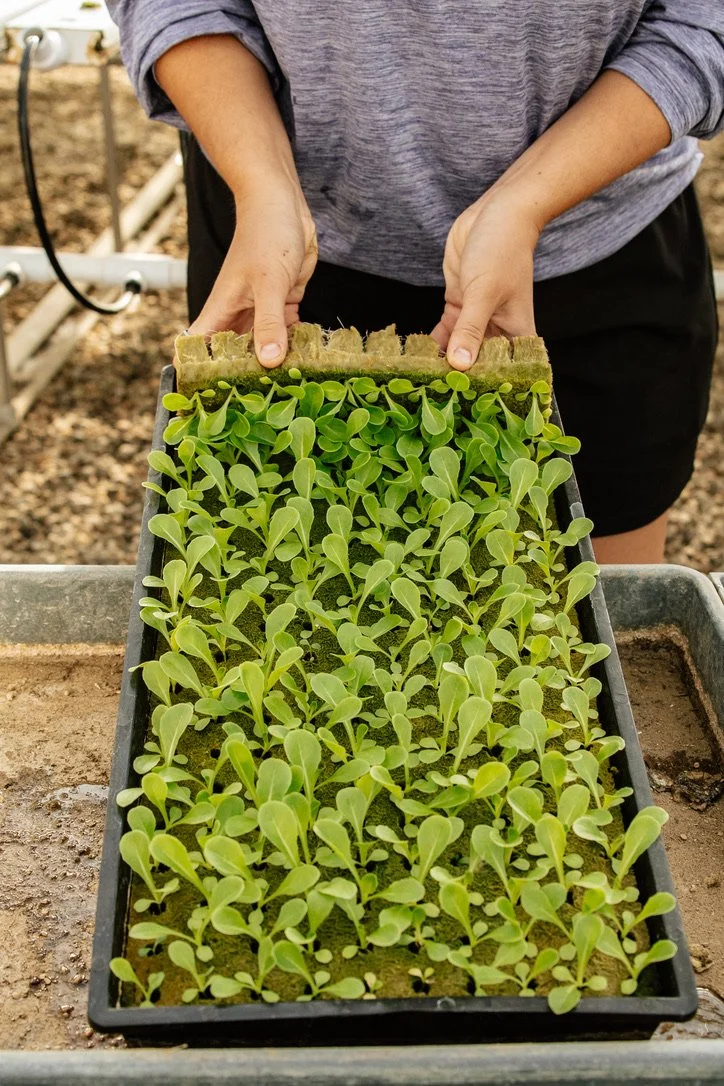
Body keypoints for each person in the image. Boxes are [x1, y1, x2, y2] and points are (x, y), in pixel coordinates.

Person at [107, 2, 723, 564]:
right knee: (270, 571)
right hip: (278, 251)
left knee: (591, 604)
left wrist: (527, 203)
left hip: (593, 255)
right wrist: (261, 182)